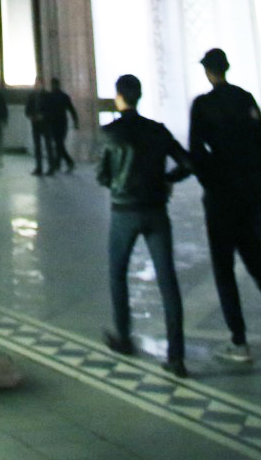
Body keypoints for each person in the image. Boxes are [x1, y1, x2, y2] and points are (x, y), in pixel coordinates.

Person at [189, 48, 261, 367]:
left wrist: (210, 182)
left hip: (221, 199)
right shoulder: (245, 99)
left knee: (224, 270)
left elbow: (197, 152)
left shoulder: (203, 105)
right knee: (258, 263)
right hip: (249, 196)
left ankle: (239, 342)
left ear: (208, 72)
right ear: (226, 68)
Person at [97, 71, 192, 376]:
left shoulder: (110, 133)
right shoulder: (157, 131)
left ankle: (124, 336)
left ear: (119, 97)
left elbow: (102, 175)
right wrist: (167, 179)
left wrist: (117, 183)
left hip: (124, 211)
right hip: (155, 211)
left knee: (118, 273)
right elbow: (188, 163)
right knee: (168, 281)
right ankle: (176, 355)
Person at [36, 78, 79, 174]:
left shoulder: (50, 96)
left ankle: (68, 162)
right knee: (59, 143)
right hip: (62, 122)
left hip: (53, 123)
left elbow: (43, 108)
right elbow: (71, 110)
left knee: (58, 144)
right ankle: (58, 163)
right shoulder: (63, 96)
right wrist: (75, 122)